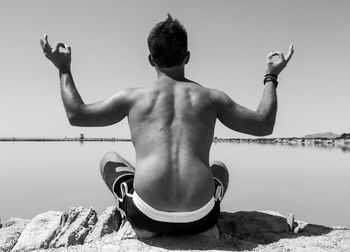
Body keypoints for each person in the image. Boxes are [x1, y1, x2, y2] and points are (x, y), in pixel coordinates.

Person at [40, 14, 294, 236]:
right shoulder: (212, 97)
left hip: (147, 216)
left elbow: (77, 115)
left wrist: (63, 68)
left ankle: (128, 201)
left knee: (109, 158)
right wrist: (271, 75)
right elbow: (263, 125)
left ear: (151, 59)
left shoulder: (132, 98)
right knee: (220, 168)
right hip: (201, 218)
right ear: (187, 56)